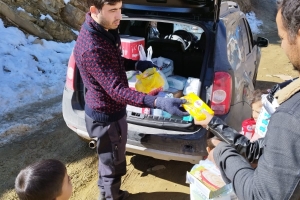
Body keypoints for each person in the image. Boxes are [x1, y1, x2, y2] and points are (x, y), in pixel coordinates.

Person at [73, 1, 188, 199]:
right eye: (112, 11)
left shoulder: (103, 29)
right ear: (94, 10)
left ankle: (109, 193)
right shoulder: (92, 47)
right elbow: (117, 90)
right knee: (111, 164)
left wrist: (135, 63)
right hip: (106, 118)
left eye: (119, 9)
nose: (119, 16)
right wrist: (158, 102)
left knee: (110, 159)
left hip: (110, 111)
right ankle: (111, 197)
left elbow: (112, 62)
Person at [195, 0, 300, 199]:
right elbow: (258, 151)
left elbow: (260, 194)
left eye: (282, 38)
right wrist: (213, 123)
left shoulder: (291, 117)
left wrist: (221, 154)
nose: (283, 46)